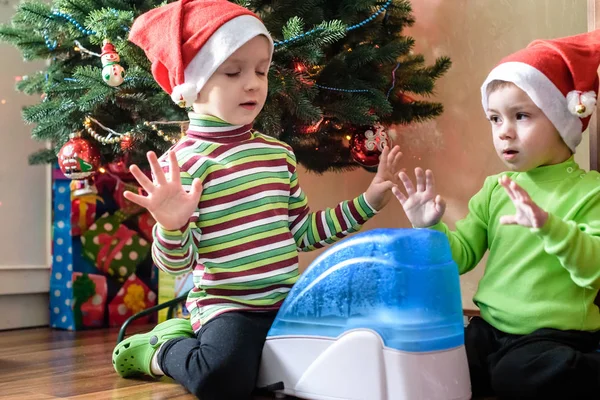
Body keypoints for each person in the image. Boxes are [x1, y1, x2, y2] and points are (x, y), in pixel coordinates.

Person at [112, 1, 403, 399]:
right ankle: (164, 349)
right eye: (233, 71)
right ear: (194, 83)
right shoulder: (179, 165)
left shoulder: (277, 154)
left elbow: (301, 233)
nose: (253, 83)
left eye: (262, 70)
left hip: (288, 302)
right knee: (221, 379)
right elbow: (176, 263)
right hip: (228, 308)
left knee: (354, 354)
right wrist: (171, 224)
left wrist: (368, 200)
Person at [393, 30, 600, 399]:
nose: (504, 132)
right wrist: (429, 227)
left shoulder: (590, 191)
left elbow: (593, 270)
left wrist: (550, 227)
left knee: (514, 376)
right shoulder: (495, 188)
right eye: (494, 119)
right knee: (438, 365)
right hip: (488, 328)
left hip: (551, 334)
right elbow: (460, 256)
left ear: (561, 120)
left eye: (520, 116)